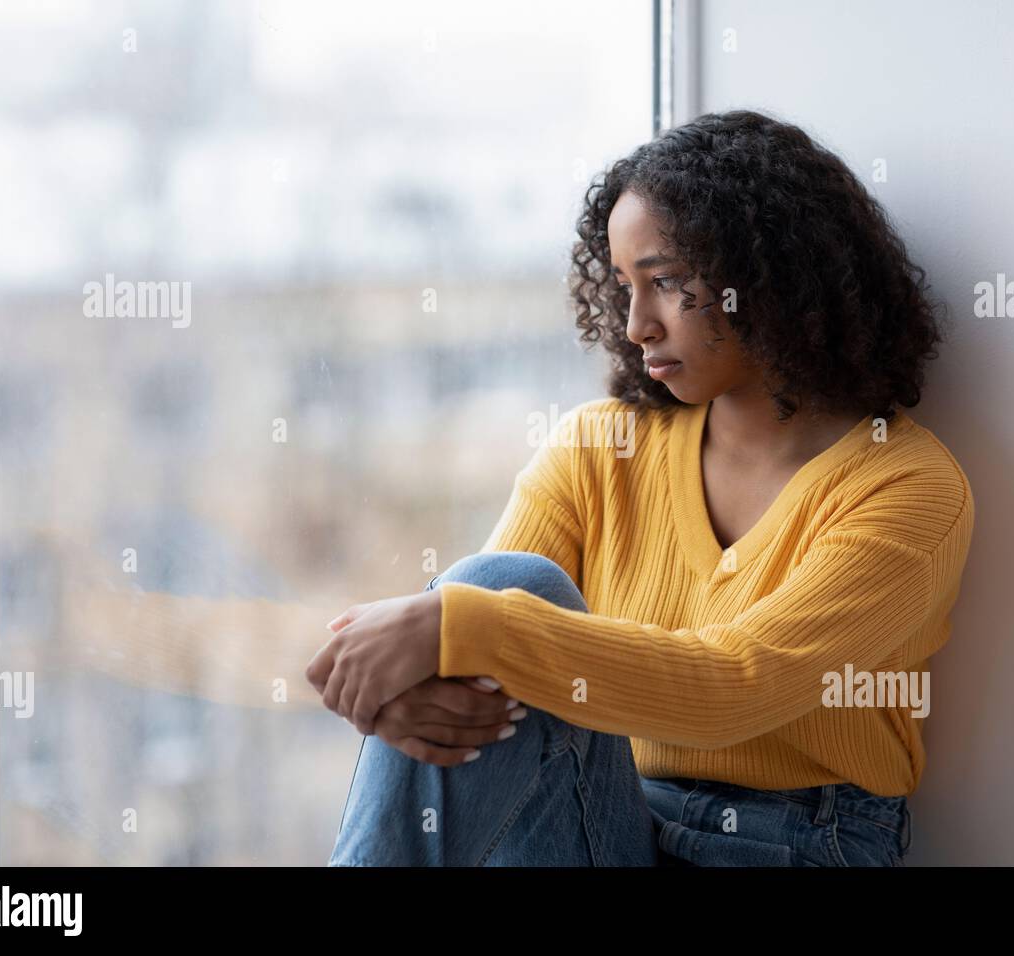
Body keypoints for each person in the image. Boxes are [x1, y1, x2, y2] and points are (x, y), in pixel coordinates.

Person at [307, 108, 974, 866]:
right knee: (501, 585)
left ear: (768, 276)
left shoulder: (907, 487)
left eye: (663, 282)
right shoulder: (604, 446)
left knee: (483, 610)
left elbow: (736, 687)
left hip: (795, 842)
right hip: (612, 815)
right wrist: (425, 682)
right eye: (624, 286)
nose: (635, 325)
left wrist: (448, 630)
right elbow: (481, 647)